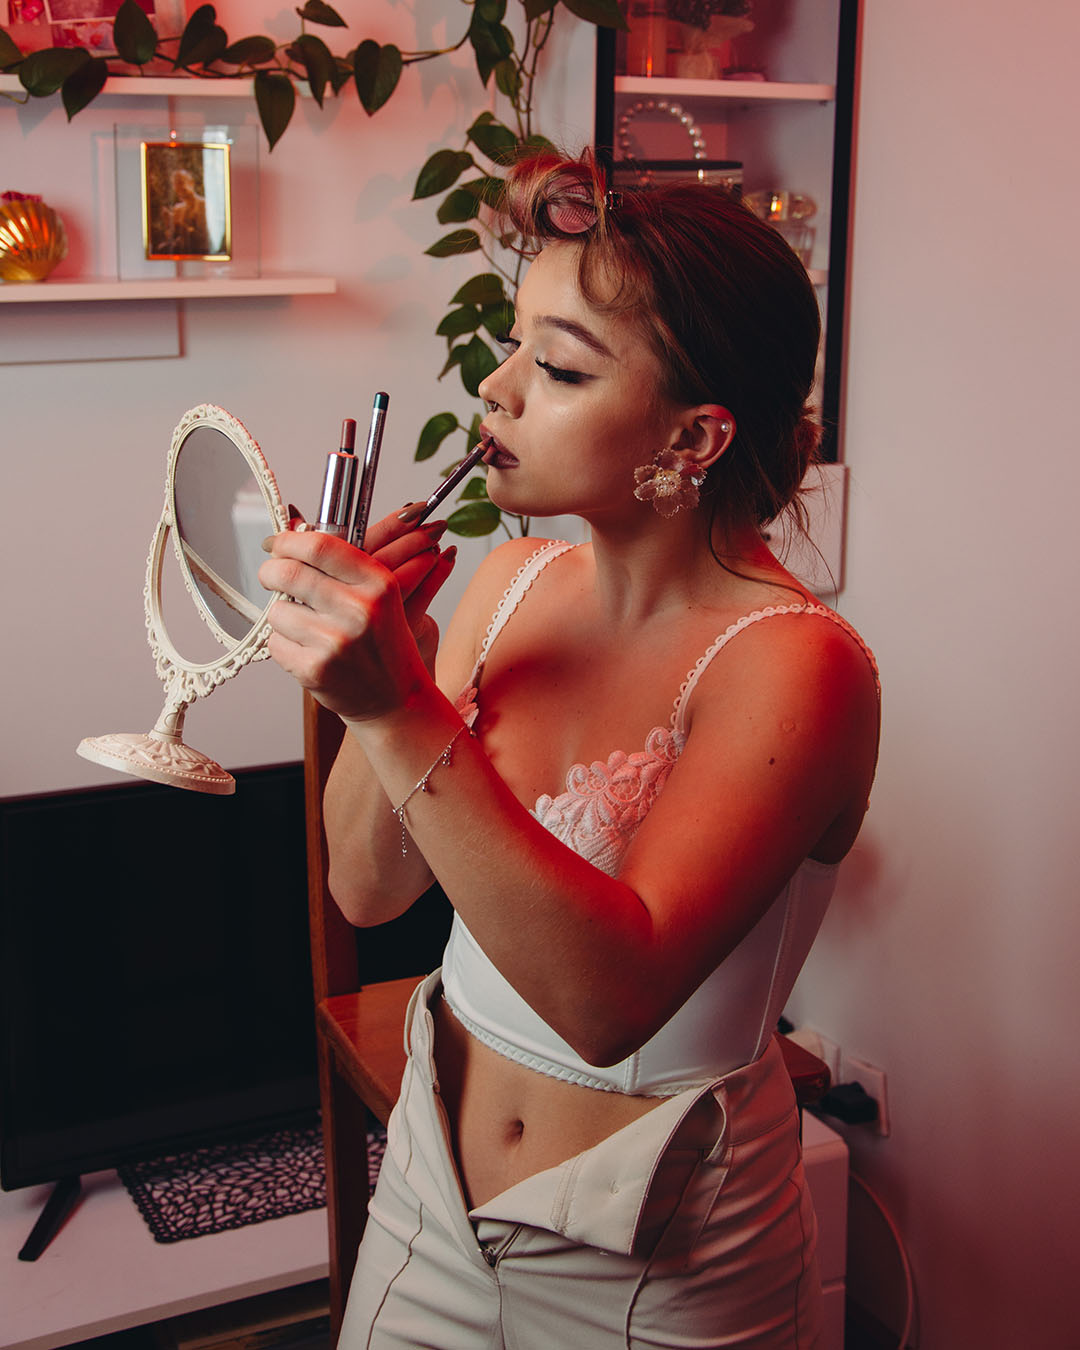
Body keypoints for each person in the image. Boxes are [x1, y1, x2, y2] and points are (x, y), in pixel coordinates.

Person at [260, 150, 880, 1348]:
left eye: (556, 367)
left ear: (693, 437)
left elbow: (609, 1005)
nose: (495, 390)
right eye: (514, 345)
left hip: (663, 1264)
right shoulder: (507, 583)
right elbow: (367, 888)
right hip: (428, 1201)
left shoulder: (796, 663)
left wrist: (399, 709)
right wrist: (385, 682)